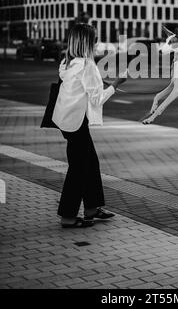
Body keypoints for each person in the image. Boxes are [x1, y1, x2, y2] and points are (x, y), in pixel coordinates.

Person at [52, 23, 127, 228]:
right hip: (76, 123)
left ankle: (92, 208)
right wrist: (116, 84)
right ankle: (68, 217)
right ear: (87, 42)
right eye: (94, 40)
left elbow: (75, 83)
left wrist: (96, 80)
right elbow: (96, 99)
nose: (96, 43)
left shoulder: (68, 62)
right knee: (78, 169)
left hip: (66, 120)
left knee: (90, 163)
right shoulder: (86, 65)